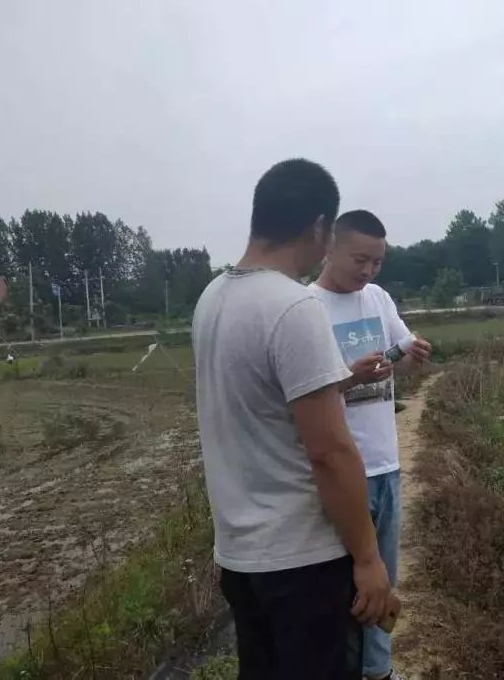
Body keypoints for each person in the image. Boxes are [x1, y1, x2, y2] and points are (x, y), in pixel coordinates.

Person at [192, 160, 394, 680]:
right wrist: (368, 559)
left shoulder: (212, 299)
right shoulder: (292, 307)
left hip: (241, 557)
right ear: (320, 227)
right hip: (302, 561)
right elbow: (329, 451)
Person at [308, 209, 432, 680]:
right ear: (330, 249)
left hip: (386, 466)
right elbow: (300, 397)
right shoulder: (307, 309)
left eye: (377, 262)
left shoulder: (378, 298)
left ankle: (379, 670)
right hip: (341, 472)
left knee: (384, 582)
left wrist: (414, 351)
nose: (368, 271)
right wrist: (349, 377)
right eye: (360, 260)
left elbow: (402, 349)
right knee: (342, 588)